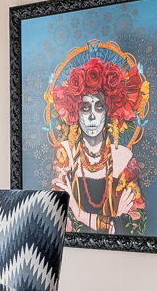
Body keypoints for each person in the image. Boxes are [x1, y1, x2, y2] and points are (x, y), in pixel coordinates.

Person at [49, 55, 145, 233]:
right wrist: (113, 220)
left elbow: (133, 226)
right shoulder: (65, 153)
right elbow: (60, 221)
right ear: (75, 111)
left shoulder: (124, 158)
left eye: (99, 107)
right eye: (85, 108)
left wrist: (79, 213)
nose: (92, 116)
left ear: (109, 111)